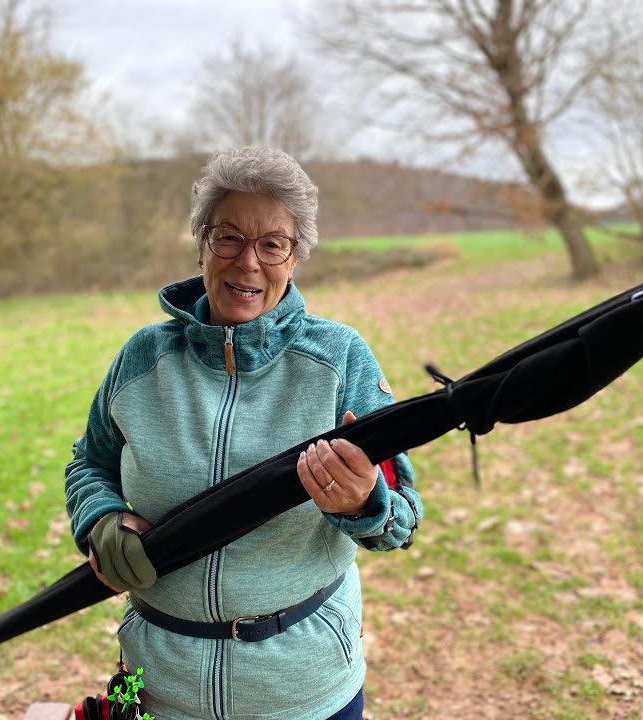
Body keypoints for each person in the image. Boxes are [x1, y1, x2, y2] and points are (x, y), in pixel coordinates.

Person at [65, 146, 423, 720]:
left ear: (295, 256)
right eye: (227, 237)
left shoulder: (340, 360)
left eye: (272, 244)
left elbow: (402, 518)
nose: (247, 262)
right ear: (202, 242)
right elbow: (91, 464)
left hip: (307, 693)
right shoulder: (141, 359)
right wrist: (99, 516)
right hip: (156, 686)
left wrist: (365, 503)